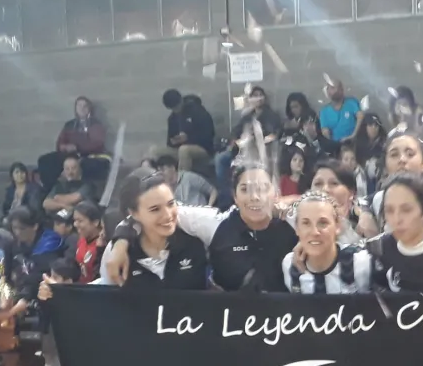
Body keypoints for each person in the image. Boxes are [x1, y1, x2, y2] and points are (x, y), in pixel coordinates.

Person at [108, 165, 296, 293]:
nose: (255, 197)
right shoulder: (213, 223)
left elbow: (322, 209)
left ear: (275, 192)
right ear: (235, 196)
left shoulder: (295, 220)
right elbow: (150, 215)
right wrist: (120, 242)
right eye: (245, 189)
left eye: (263, 188)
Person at [2, 206, 65, 366]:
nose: (17, 233)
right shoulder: (17, 245)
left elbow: (36, 275)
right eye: (14, 228)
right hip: (24, 298)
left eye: (21, 228)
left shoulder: (50, 241)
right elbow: (16, 274)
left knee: (53, 355)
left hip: (54, 301)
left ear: (35, 226)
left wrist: (15, 306)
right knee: (48, 353)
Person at [102, 172, 207, 290]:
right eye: (155, 209)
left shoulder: (194, 244)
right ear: (133, 213)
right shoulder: (118, 252)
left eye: (171, 204)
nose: (167, 215)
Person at [283, 191, 372, 294]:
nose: (314, 232)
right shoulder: (289, 265)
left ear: (337, 225)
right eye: (306, 223)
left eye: (322, 223)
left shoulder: (360, 262)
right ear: (297, 228)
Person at [36, 257, 82, 366]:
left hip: (69, 343)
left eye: (55, 276)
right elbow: (44, 314)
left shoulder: (76, 296)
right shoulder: (45, 292)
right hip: (51, 340)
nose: (48, 279)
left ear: (67, 280)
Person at [37, 96, 110, 190]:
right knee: (44, 160)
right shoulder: (69, 125)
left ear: (89, 109)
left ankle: (81, 192)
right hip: (69, 155)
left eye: (85, 106)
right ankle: (51, 189)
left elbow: (98, 143)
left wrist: (77, 147)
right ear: (76, 109)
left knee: (84, 165)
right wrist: (64, 147)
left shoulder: (96, 124)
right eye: (79, 106)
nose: (82, 108)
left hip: (88, 155)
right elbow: (60, 142)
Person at [216, 88, 282, 192]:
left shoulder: (271, 115)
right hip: (241, 150)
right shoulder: (248, 116)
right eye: (255, 95)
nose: (258, 98)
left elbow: (274, 134)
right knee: (221, 159)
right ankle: (226, 198)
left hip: (261, 151)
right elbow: (235, 131)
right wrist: (235, 141)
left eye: (260, 95)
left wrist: (259, 139)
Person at [157, 89, 215, 171]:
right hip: (179, 148)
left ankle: (181, 180)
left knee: (184, 150)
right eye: (173, 108)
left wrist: (188, 138)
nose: (176, 110)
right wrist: (174, 141)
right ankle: (156, 178)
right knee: (155, 151)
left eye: (177, 107)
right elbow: (169, 142)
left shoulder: (197, 111)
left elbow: (208, 135)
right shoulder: (172, 118)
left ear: (181, 101)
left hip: (203, 148)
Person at [72, 202, 106, 284]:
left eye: (80, 221)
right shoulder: (82, 240)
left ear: (95, 222)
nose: (75, 224)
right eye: (75, 220)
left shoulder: (103, 245)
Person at [354, 112, 386, 194]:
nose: (374, 128)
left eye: (376, 125)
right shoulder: (357, 144)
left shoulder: (384, 143)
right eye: (370, 125)